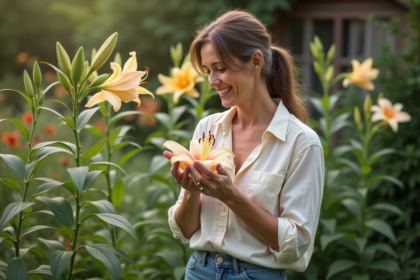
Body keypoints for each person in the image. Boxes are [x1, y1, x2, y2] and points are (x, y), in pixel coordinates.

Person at [164, 10, 324, 280]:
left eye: (221, 69)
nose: (213, 82)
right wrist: (190, 192)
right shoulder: (208, 129)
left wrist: (230, 196)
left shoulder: (302, 142)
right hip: (197, 271)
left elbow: (295, 245)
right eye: (208, 71)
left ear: (256, 61)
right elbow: (186, 231)